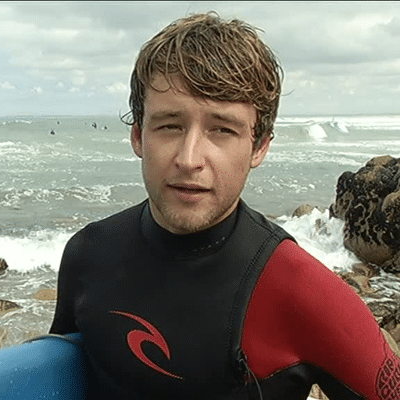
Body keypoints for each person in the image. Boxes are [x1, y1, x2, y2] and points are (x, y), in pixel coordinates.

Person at [50, 12, 400, 400]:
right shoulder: (88, 256)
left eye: (222, 129)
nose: (189, 157)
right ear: (138, 135)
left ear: (260, 146)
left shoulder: (304, 292)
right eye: (169, 125)